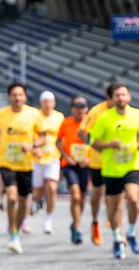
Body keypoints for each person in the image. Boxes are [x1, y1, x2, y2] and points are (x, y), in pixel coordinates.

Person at [88, 82, 139, 260]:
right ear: (112, 99)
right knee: (113, 207)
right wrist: (109, 145)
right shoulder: (104, 118)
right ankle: (116, 238)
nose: (121, 98)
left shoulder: (137, 114)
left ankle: (131, 232)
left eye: (123, 94)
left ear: (129, 97)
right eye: (117, 95)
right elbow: (93, 142)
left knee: (134, 199)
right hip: (111, 168)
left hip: (132, 165)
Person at [0, 83, 43, 254]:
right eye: (14, 95)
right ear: (9, 97)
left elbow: (43, 137)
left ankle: (16, 232)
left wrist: (33, 144)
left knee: (22, 201)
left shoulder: (34, 114)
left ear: (25, 97)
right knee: (11, 197)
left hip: (25, 163)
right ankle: (13, 233)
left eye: (20, 95)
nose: (17, 98)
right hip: (6, 161)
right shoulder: (2, 113)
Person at [79, 93, 112, 246]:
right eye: (115, 96)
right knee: (97, 193)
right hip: (98, 161)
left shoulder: (130, 112)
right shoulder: (96, 111)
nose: (120, 99)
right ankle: (95, 221)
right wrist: (93, 145)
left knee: (117, 195)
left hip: (118, 162)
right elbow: (82, 132)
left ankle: (116, 231)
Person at [57, 96, 91, 244]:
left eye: (82, 107)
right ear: (72, 109)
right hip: (69, 164)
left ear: (86, 109)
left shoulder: (91, 122)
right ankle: (77, 229)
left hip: (86, 164)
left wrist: (89, 159)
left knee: (82, 198)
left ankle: (75, 222)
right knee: (75, 196)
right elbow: (58, 142)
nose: (80, 110)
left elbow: (98, 141)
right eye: (76, 107)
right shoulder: (66, 123)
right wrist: (66, 156)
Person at [33, 92, 64, 234]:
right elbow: (30, 135)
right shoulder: (35, 116)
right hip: (37, 158)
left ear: (54, 103)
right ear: (41, 103)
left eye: (50, 101)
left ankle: (48, 220)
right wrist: (35, 149)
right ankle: (36, 202)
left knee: (52, 188)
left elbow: (62, 138)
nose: (47, 104)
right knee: (37, 191)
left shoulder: (59, 117)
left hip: (53, 157)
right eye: (45, 101)